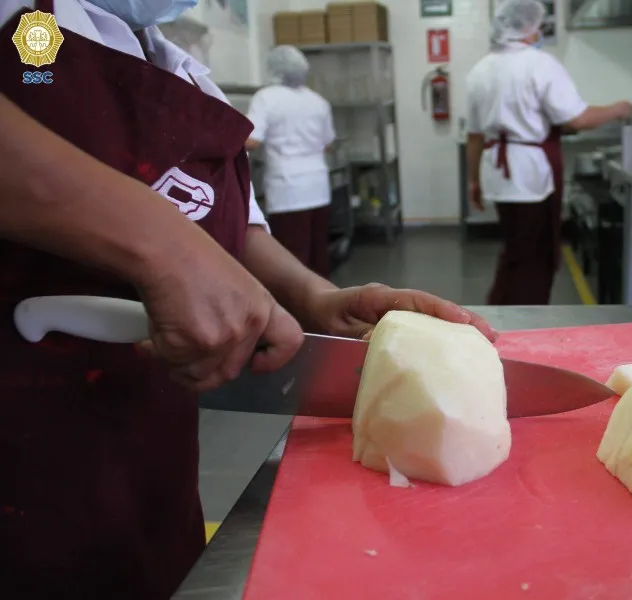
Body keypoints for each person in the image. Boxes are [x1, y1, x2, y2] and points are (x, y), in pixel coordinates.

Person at [0, 1, 497, 598]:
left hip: (149, 437)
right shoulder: (31, 26)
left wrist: (312, 295)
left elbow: (225, 218)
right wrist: (158, 242)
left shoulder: (173, 63)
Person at [466, 0, 632, 306]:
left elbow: (474, 136)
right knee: (535, 256)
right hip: (529, 174)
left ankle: (500, 313)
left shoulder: (480, 70)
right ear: (529, 28)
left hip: (498, 173)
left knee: (515, 248)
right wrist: (618, 109)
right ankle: (524, 322)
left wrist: (473, 181)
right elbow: (577, 119)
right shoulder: (540, 64)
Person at [246, 46, 335, 279]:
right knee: (318, 256)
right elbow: (328, 143)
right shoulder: (318, 101)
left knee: (292, 259)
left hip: (288, 188)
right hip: (318, 187)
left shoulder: (266, 97)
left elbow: (252, 141)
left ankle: (298, 313)